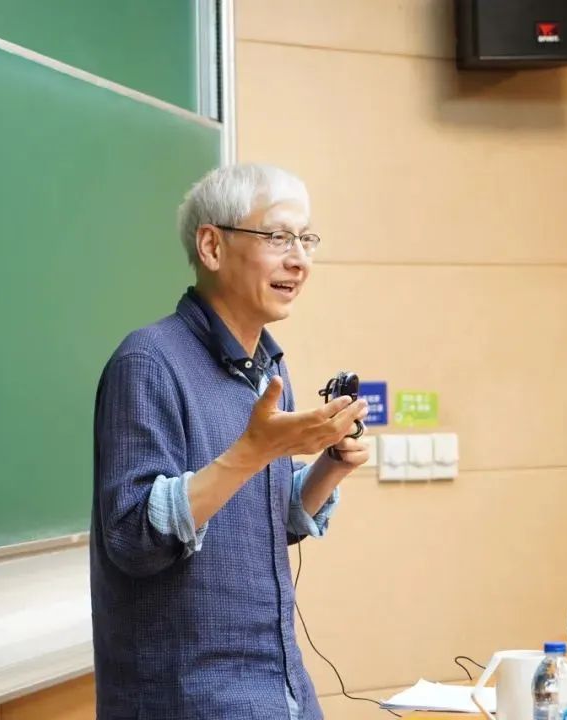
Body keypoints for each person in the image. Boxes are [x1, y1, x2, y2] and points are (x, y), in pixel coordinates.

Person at [90, 163, 370, 720]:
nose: (300, 259)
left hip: (281, 691)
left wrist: (330, 465)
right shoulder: (147, 363)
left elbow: (261, 521)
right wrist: (253, 452)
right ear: (212, 247)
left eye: (307, 239)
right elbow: (132, 537)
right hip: (189, 701)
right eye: (279, 237)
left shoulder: (269, 369)